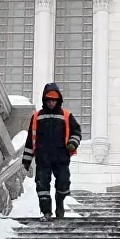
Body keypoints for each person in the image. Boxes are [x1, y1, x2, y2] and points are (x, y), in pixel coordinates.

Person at [21, 82, 81, 219]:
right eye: (49, 100)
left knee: (63, 183)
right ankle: (46, 212)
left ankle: (60, 204)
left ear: (58, 100)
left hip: (61, 158)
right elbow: (30, 140)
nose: (51, 103)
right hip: (43, 159)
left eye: (54, 100)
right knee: (42, 186)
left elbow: (76, 132)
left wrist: (73, 143)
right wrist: (26, 161)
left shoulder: (66, 116)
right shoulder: (37, 117)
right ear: (44, 100)